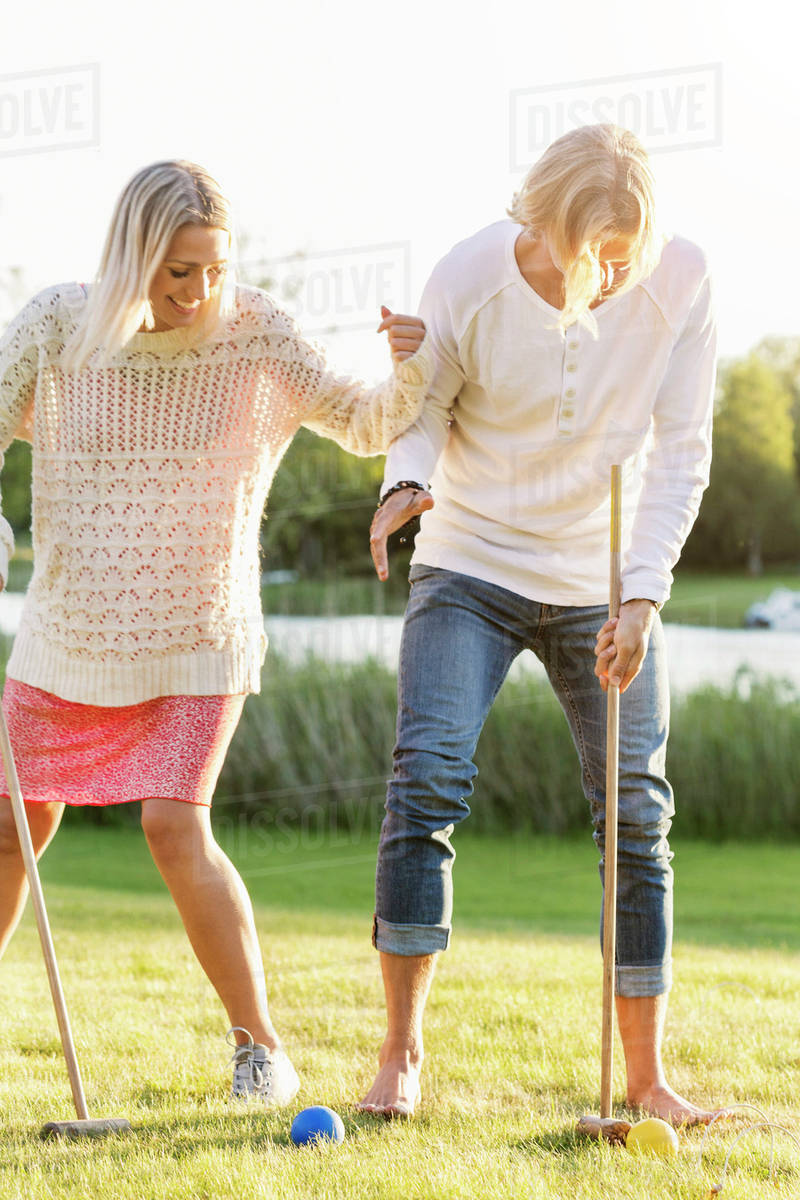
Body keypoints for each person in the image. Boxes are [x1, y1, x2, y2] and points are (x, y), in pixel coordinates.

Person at [0, 160, 430, 1105]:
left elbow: (362, 419)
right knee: (8, 823)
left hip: (200, 631)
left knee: (172, 823)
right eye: (178, 271)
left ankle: (260, 1050)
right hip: (67, 627)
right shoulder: (58, 326)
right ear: (132, 258)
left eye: (215, 269)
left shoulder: (255, 331)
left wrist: (410, 367)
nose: (200, 292)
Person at [359, 124, 718, 1123]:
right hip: (469, 557)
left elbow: (681, 452)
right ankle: (400, 1056)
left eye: (622, 259)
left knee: (636, 812)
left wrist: (640, 596)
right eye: (584, 255)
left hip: (600, 572)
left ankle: (646, 1080)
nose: (603, 280)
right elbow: (421, 407)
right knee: (427, 776)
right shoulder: (470, 274)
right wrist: (404, 481)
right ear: (539, 222)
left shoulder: (681, 281)